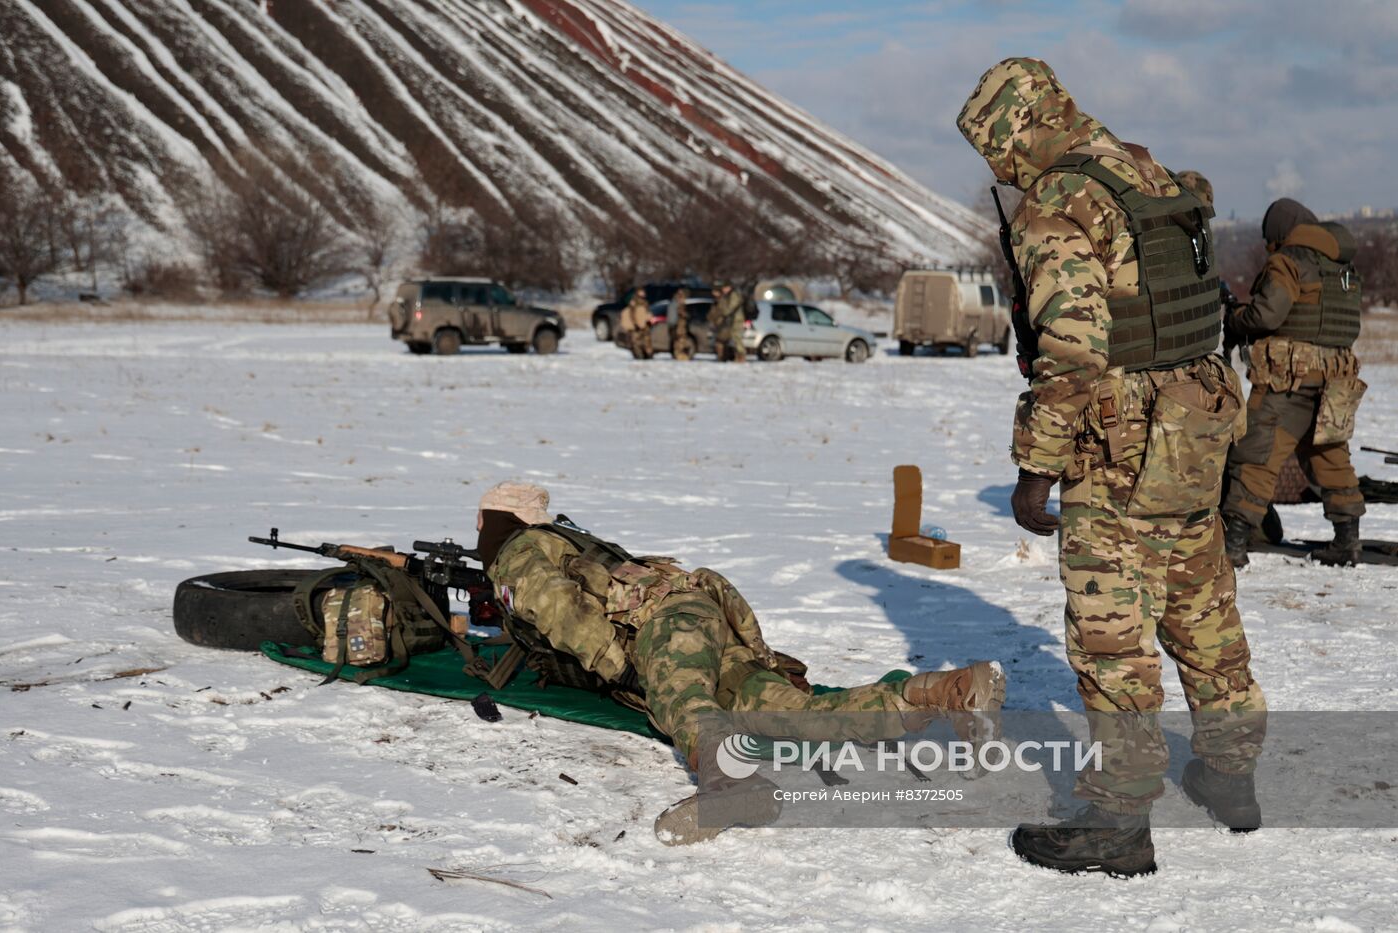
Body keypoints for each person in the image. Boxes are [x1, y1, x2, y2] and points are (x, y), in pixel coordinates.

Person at [957, 58, 1266, 876]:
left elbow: (1071, 350)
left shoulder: (1057, 204)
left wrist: (1036, 467)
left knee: (1112, 633)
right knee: (1202, 606)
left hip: (1120, 445)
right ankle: (1231, 774)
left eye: (998, 151)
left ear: (1019, 128)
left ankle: (1119, 819)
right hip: (1197, 423)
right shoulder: (1142, 171)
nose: (1003, 172)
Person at [473, 481, 1007, 846]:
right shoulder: (564, 539)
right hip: (703, 617)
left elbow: (557, 607)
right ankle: (947, 690)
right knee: (793, 714)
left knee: (680, 697)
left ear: (496, 521)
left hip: (668, 622)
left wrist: (621, 667)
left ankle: (731, 786)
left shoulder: (517, 550)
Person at [1221, 199, 1367, 568]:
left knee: (1256, 455)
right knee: (1331, 455)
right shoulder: (1340, 264)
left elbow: (1268, 314)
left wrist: (1236, 318)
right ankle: (1347, 541)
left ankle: (1234, 543)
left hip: (1288, 380)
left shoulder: (1288, 260)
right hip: (1336, 378)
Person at [708, 283, 747, 362]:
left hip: (736, 320)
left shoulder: (733, 295)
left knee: (736, 338)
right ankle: (729, 356)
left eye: (724, 288)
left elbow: (729, 308)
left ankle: (741, 356)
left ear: (728, 287)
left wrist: (723, 313)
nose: (723, 290)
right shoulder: (726, 296)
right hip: (729, 321)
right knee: (727, 339)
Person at [623, 289, 653, 360]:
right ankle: (639, 356)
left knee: (647, 341)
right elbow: (632, 313)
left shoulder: (645, 302)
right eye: (641, 292)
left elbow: (647, 312)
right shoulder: (634, 302)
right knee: (636, 342)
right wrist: (635, 324)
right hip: (637, 325)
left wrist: (649, 320)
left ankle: (648, 356)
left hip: (645, 325)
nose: (643, 294)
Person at [670, 288, 695, 361]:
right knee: (680, 341)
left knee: (679, 341)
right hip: (680, 327)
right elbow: (681, 313)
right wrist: (687, 315)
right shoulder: (679, 305)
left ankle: (679, 355)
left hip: (680, 326)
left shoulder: (675, 303)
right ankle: (679, 355)